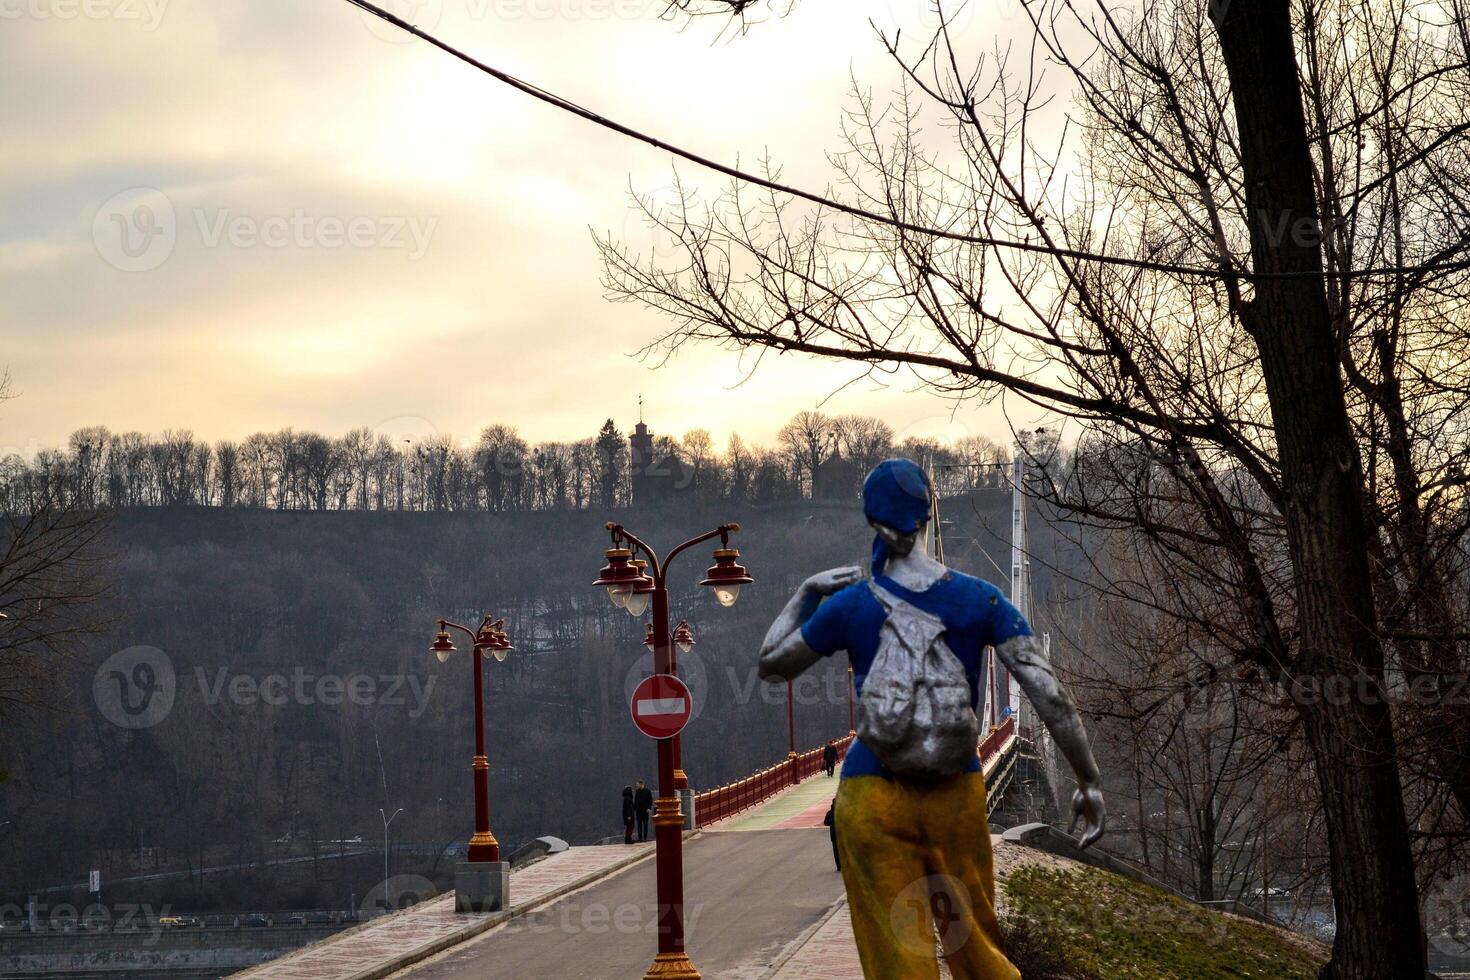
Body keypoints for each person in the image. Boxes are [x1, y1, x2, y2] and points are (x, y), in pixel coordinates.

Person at [757, 458, 1106, 980]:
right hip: (955, 794)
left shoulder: (851, 604)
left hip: (872, 795)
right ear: (925, 520)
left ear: (873, 522)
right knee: (978, 952)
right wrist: (1088, 780)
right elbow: (1049, 695)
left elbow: (772, 664)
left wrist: (807, 594)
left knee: (899, 962)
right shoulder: (980, 599)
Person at [822, 798, 840, 871]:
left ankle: (839, 866)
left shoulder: (829, 813)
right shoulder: (841, 812)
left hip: (833, 835)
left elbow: (826, 823)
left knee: (836, 851)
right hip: (841, 834)